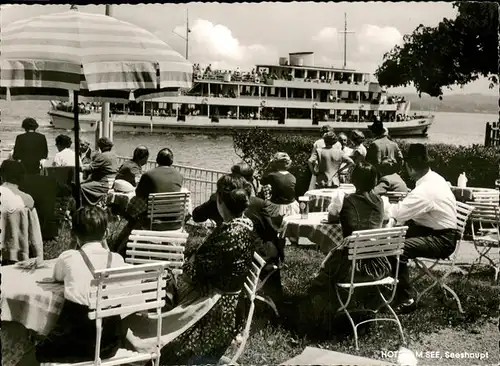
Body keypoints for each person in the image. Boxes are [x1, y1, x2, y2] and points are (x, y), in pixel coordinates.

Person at [127, 174, 256, 365]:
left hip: (213, 311)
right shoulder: (243, 227)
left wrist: (186, 264)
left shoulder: (230, 233)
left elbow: (194, 271)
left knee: (153, 289)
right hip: (227, 305)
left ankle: (128, 331)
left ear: (220, 200)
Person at [35, 207, 127, 363]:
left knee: (38, 350)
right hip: (108, 345)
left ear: (72, 234)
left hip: (73, 345)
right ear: (105, 234)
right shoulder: (117, 259)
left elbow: (57, 277)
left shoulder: (69, 257)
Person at [308, 162, 390, 312]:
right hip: (379, 265)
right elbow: (386, 219)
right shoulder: (382, 201)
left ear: (354, 179)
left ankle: (329, 305)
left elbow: (332, 217)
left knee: (330, 265)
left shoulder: (343, 198)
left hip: (349, 268)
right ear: (375, 180)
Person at [386, 144, 458, 313]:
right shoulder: (434, 179)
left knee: (396, 248)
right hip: (435, 231)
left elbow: (399, 212)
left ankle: (407, 297)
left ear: (409, 168)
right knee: (389, 239)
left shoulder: (426, 189)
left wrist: (379, 206)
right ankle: (389, 286)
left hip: (442, 239)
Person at [113, 148, 183, 256]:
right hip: (176, 222)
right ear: (172, 161)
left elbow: (138, 193)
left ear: (156, 160)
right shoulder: (179, 175)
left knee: (134, 217)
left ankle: (118, 249)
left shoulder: (149, 175)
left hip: (153, 222)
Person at [260, 152, 299, 221]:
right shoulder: (293, 177)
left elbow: (262, 181)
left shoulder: (272, 176)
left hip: (276, 208)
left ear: (275, 164)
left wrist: (269, 165)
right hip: (292, 207)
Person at [80, 137, 119, 205]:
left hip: (104, 183)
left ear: (100, 146)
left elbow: (90, 168)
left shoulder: (102, 156)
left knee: (80, 187)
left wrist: (80, 168)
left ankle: (85, 206)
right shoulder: (114, 155)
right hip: (112, 181)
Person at [308, 125, 341, 190]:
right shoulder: (338, 143)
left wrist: (313, 172)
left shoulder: (317, 142)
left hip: (320, 170)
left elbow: (311, 159)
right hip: (333, 171)